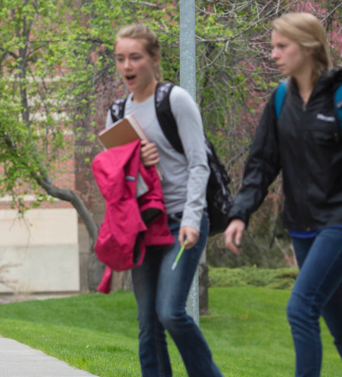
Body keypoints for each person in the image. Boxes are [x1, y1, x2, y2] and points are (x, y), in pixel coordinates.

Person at [224, 13, 342, 377]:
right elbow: (262, 164)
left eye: (282, 46)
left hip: (341, 220)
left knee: (301, 308)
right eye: (273, 46)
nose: (273, 55)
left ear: (308, 47)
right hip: (301, 225)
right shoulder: (280, 100)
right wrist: (239, 214)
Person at [107, 24, 223, 377]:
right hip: (144, 225)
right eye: (120, 58)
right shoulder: (117, 112)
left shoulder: (175, 100)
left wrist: (191, 218)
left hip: (181, 222)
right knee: (147, 324)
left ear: (154, 60)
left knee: (170, 312)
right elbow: (119, 183)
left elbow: (199, 163)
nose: (127, 66)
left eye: (135, 58)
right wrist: (136, 166)